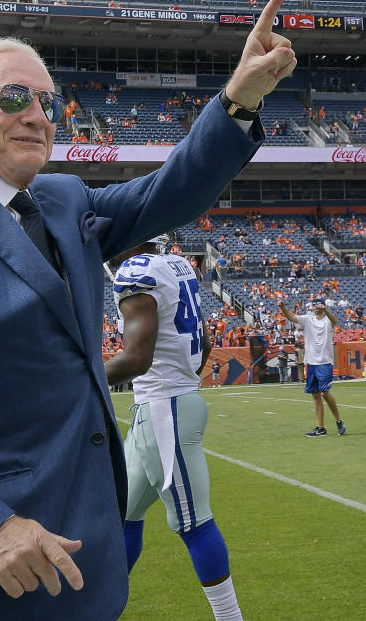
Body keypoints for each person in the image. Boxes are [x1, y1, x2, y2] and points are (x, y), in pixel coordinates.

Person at [0, 0, 296, 617]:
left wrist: (239, 97)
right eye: (14, 98)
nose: (38, 116)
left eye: (48, 103)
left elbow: (168, 193)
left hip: (77, 556)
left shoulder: (64, 199)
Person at [106, 238, 242, 621]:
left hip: (165, 410)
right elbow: (208, 340)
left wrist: (79, 378)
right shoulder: (178, 267)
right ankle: (100, 607)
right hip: (168, 404)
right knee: (126, 512)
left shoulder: (138, 272)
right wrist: (182, 382)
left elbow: (135, 358)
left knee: (194, 522)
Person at [278, 299, 345, 437]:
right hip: (311, 361)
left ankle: (338, 420)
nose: (315, 307)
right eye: (314, 305)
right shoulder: (308, 319)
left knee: (325, 392)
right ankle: (320, 428)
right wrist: (283, 307)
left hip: (325, 361)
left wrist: (325, 309)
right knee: (315, 394)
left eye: (318, 305)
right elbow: (292, 317)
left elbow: (335, 320)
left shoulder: (327, 320)